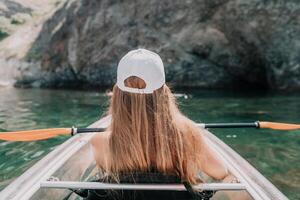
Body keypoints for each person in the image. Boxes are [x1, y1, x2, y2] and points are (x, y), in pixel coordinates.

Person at [89, 49, 228, 200]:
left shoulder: (101, 142)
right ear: (163, 92)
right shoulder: (188, 135)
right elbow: (220, 172)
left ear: (118, 95)